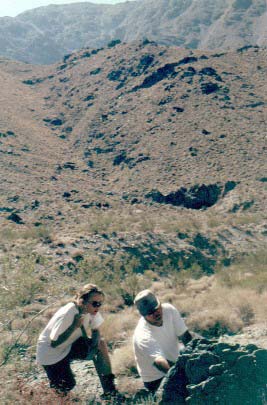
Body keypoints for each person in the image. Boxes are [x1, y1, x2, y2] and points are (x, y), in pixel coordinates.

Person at [36, 284, 119, 398]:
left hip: (68, 345)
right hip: (51, 354)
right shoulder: (68, 312)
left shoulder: (91, 310)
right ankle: (38, 395)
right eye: (95, 303)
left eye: (100, 303)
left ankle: (110, 391)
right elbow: (54, 343)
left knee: (101, 343)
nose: (98, 306)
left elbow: (96, 330)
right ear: (82, 301)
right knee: (66, 387)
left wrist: (94, 347)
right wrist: (73, 326)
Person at [133, 289, 193, 395]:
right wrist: (184, 376)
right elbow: (160, 363)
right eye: (150, 313)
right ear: (143, 315)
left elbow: (186, 337)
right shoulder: (143, 335)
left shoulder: (169, 310)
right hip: (156, 378)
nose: (155, 313)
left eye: (156, 308)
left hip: (175, 364)